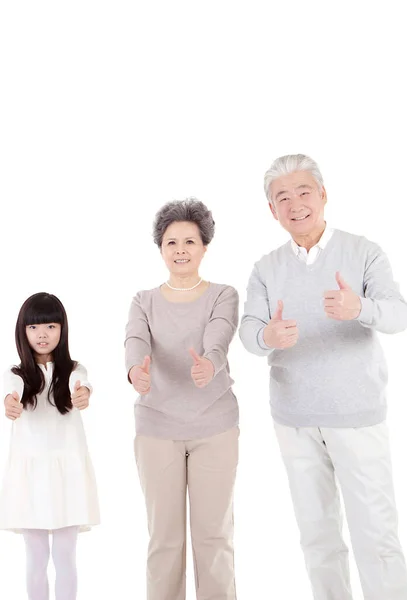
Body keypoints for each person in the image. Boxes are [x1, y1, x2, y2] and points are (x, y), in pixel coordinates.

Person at [239, 154, 407, 600]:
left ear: (324, 195)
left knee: (376, 535)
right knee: (318, 538)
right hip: (294, 420)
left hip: (357, 416)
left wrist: (360, 309)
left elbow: (398, 314)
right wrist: (268, 335)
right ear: (272, 211)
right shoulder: (266, 267)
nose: (295, 204)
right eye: (282, 198)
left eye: (303, 192)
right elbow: (249, 334)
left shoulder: (363, 251)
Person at [125, 198, 239, 600]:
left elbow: (220, 334)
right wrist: (136, 370)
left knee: (213, 537)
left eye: (189, 241)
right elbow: (135, 339)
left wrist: (211, 364)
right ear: (160, 248)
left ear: (204, 246)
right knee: (165, 541)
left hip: (215, 427)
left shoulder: (223, 294)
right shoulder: (144, 300)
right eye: (172, 242)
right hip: (157, 428)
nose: (180, 250)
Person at [0, 292, 100, 600]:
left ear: (62, 329)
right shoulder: (16, 375)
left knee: (66, 558)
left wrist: (82, 393)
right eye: (34, 327)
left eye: (50, 326)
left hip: (67, 475)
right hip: (30, 478)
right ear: (23, 331)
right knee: (36, 558)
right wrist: (9, 402)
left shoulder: (73, 370)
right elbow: (10, 391)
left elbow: (80, 385)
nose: (42, 334)